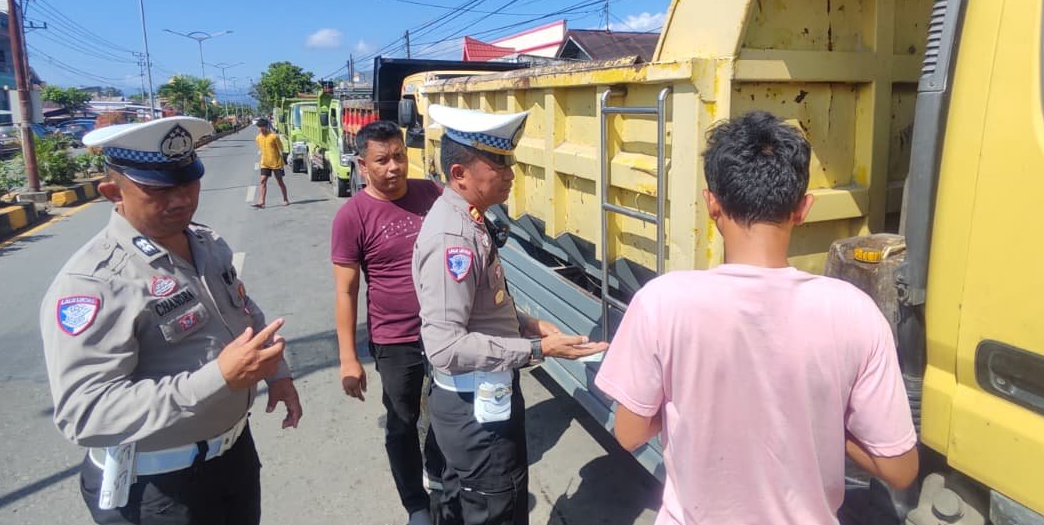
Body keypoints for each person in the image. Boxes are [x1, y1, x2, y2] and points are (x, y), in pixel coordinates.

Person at [594, 111, 919, 525]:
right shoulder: (855, 312)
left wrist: (687, 401)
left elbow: (629, 433)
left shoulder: (662, 301)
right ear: (803, 209)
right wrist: (824, 421)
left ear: (712, 204)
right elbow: (900, 469)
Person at [40, 116, 303, 525]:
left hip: (232, 460)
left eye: (188, 181)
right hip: (157, 490)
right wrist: (219, 378)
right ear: (113, 192)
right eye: (158, 190)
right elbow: (85, 413)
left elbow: (244, 311)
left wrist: (278, 375)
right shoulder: (95, 282)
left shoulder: (206, 243)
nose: (181, 199)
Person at [413, 104, 608, 525]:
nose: (510, 173)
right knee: (495, 508)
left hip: (479, 398)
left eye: (509, 162)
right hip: (474, 406)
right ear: (460, 173)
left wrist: (526, 324)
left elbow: (482, 303)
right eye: (498, 163)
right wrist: (538, 347)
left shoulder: (469, 218)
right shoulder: (455, 239)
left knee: (472, 504)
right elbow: (446, 347)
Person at [332, 120, 445, 525]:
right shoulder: (352, 217)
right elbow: (345, 292)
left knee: (449, 410)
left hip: (445, 330)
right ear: (364, 166)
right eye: (382, 160)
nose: (395, 167)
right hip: (394, 338)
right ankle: (416, 504)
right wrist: (348, 358)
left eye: (400, 155)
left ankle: (439, 475)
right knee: (401, 421)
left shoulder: (430, 193)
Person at [253, 118, 289, 208]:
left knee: (280, 181)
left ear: (266, 127)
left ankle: (285, 199)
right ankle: (262, 202)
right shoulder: (258, 138)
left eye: (262, 127)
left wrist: (283, 160)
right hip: (265, 163)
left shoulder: (273, 137)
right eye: (259, 127)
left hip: (276, 163)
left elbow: (281, 148)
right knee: (263, 181)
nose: (260, 129)